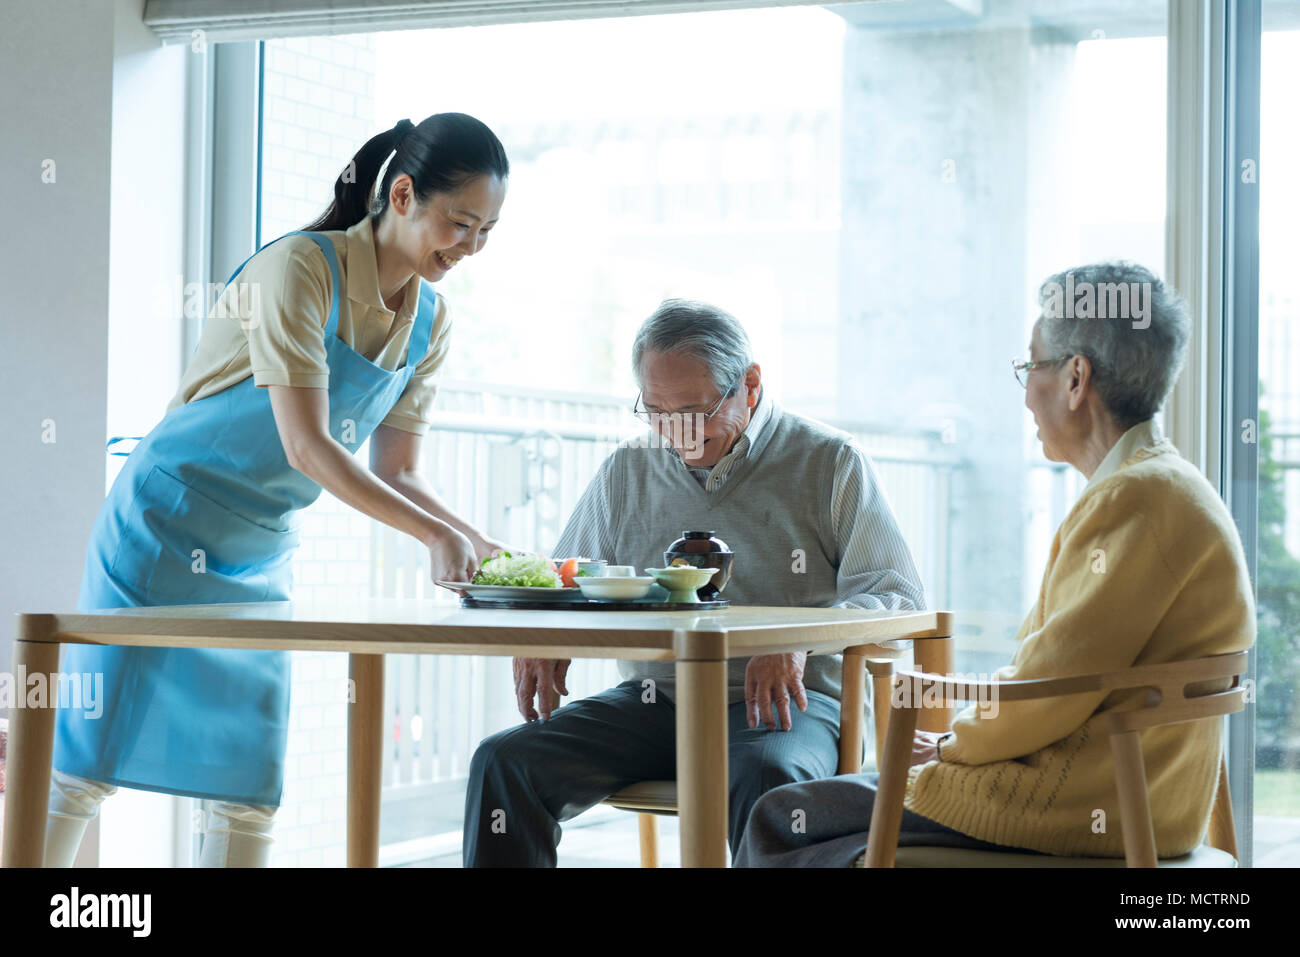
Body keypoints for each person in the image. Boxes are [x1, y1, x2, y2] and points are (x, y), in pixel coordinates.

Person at [45, 113, 511, 867]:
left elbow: (400, 470)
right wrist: (431, 537)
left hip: (259, 556)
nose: (471, 248)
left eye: (487, 231)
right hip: (161, 531)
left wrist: (480, 543)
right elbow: (306, 443)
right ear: (401, 196)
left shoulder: (431, 321)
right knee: (83, 764)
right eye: (460, 223)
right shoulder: (301, 268)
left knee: (246, 787)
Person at [734, 261, 1255, 866]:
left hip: (1073, 806)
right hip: (1126, 796)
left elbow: (1048, 688)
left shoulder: (1134, 499)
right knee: (825, 822)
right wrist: (964, 740)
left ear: (1075, 379)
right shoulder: (1165, 488)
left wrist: (955, 745)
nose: (1027, 389)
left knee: (781, 817)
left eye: (1031, 365)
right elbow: (1066, 676)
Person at [463, 298, 931, 866]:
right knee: (504, 762)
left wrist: (800, 637)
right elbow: (570, 574)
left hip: (787, 707)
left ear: (750, 386)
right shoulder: (627, 469)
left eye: (694, 410)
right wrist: (548, 634)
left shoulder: (831, 461)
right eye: (656, 412)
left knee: (768, 776)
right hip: (654, 703)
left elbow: (897, 594)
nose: (674, 431)